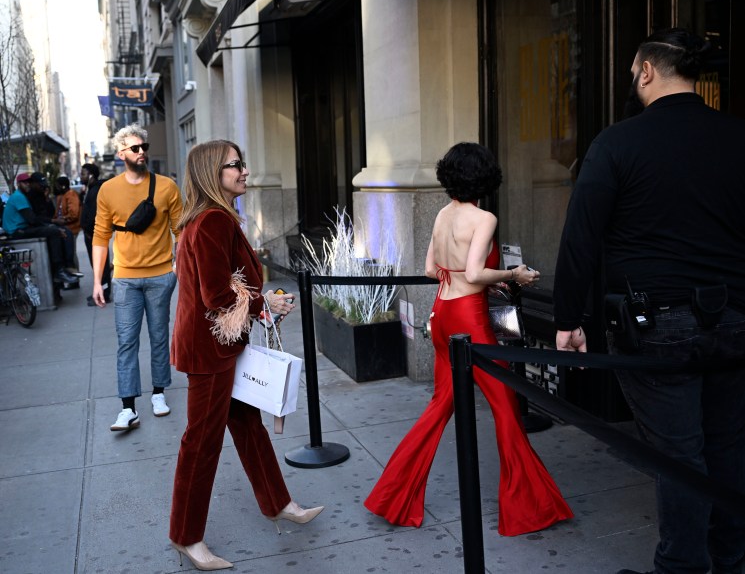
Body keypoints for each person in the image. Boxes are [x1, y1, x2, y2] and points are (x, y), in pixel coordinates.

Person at [553, 28, 745, 574]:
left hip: (656, 321)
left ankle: (682, 567)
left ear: (645, 71)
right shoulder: (738, 137)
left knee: (679, 455)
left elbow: (581, 236)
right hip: (736, 318)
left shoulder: (617, 142)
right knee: (729, 447)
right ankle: (729, 560)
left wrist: (568, 318)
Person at [364, 142, 573, 535]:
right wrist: (515, 275)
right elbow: (476, 274)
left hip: (442, 314)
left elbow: (430, 269)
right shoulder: (484, 218)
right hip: (469, 318)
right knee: (506, 409)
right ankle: (528, 508)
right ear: (486, 177)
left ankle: (392, 496)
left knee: (439, 407)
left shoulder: (444, 214)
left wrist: (457, 273)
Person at [169, 139, 323, 570]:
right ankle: (186, 536)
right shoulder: (213, 221)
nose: (244, 171)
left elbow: (224, 286)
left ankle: (278, 503)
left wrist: (259, 302)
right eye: (234, 165)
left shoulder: (213, 219)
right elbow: (216, 295)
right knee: (200, 444)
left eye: (242, 163)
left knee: (248, 428)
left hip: (219, 345)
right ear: (210, 175)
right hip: (208, 351)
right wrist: (263, 305)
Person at [91, 124, 183, 432]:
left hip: (161, 276)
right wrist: (97, 281)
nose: (142, 151)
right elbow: (100, 237)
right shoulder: (108, 190)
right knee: (126, 342)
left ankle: (158, 393)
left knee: (159, 337)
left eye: (144, 146)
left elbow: (181, 230)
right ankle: (128, 408)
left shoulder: (167, 186)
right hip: (126, 279)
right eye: (135, 148)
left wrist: (177, 266)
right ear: (121, 154)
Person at [1, 172, 78, 285]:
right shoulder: (18, 197)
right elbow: (32, 219)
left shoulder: (22, 196)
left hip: (22, 228)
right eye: (24, 183)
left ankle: (67, 266)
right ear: (18, 184)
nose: (27, 185)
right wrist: (51, 224)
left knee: (60, 230)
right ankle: (59, 270)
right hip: (17, 232)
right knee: (54, 232)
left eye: (29, 182)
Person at [80, 164, 112, 304]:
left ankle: (104, 295)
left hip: (94, 235)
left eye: (83, 174)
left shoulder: (96, 191)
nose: (81, 176)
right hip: (92, 235)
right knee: (98, 266)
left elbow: (94, 215)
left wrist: (90, 232)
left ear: (91, 175)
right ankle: (101, 293)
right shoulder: (91, 190)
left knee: (101, 266)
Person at [54, 176, 82, 274]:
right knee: (69, 254)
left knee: (71, 254)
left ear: (62, 186)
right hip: (66, 228)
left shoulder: (71, 195)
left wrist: (63, 219)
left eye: (57, 185)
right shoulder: (63, 196)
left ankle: (75, 277)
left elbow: (73, 214)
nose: (56, 188)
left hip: (72, 229)